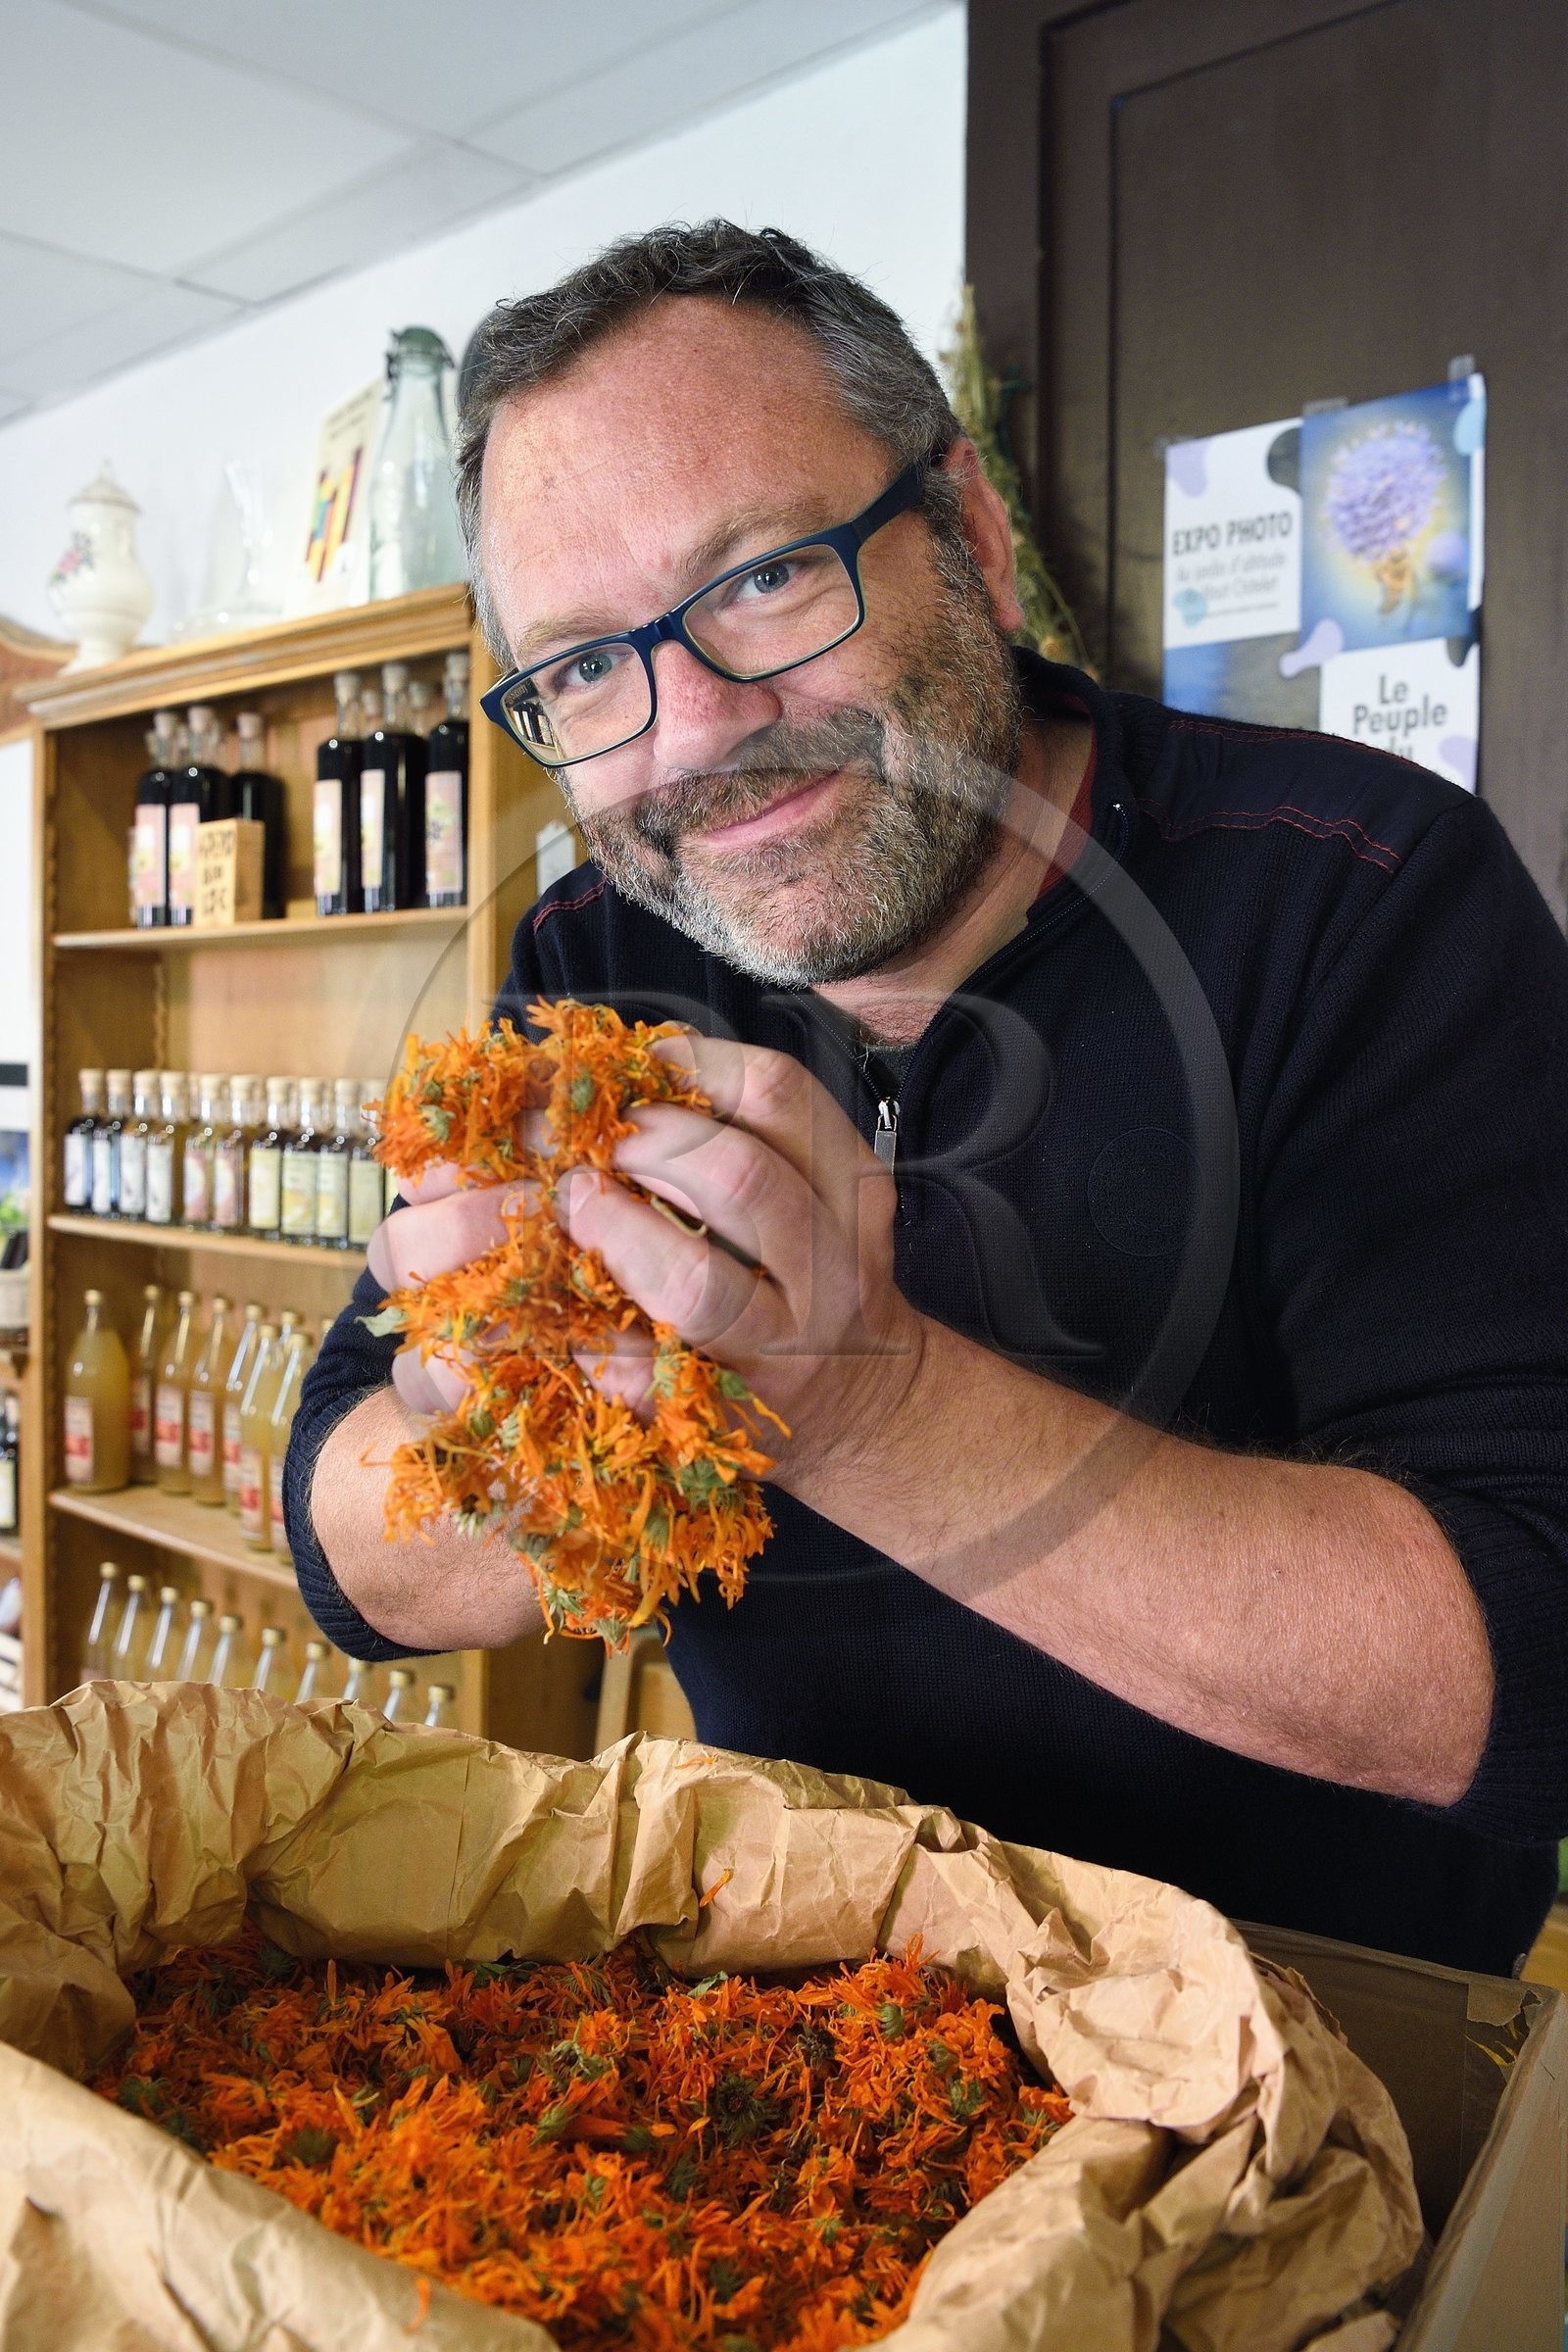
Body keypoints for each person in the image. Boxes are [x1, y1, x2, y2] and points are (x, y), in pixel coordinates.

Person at [283, 220, 1568, 1975]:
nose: (688, 737)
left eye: (760, 580)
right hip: (789, 2007)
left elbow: (1531, 1658)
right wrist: (537, 1403)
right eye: (583, 666)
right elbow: (347, 1539)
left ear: (968, 534)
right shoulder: (598, 954)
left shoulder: (1361, 892)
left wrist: (859, 1402)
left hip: (1316, 2049)